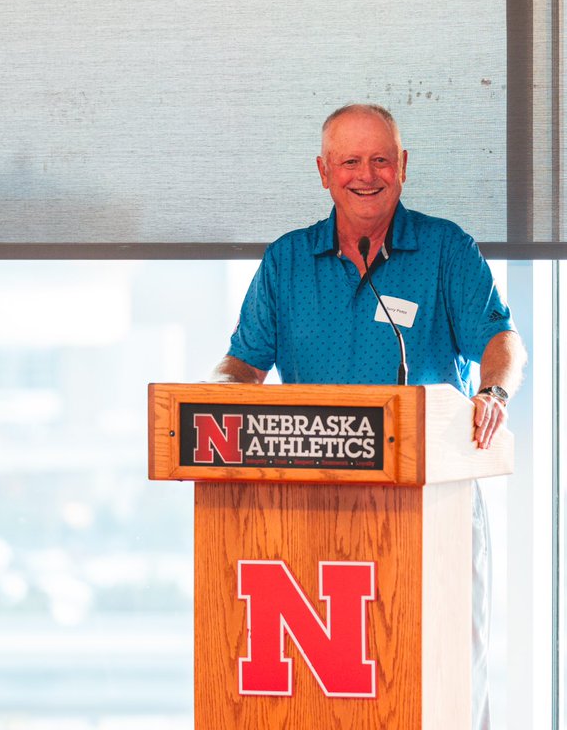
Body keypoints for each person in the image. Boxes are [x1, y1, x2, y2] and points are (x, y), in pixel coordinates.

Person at [212, 103, 526, 728]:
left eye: (380, 159)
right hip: (311, 511)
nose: (366, 174)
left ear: (403, 167)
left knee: (445, 676)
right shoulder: (287, 262)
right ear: (323, 172)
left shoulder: (445, 250)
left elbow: (501, 340)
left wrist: (494, 393)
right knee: (335, 692)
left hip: (431, 504)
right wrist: (211, 393)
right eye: (349, 161)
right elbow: (242, 366)